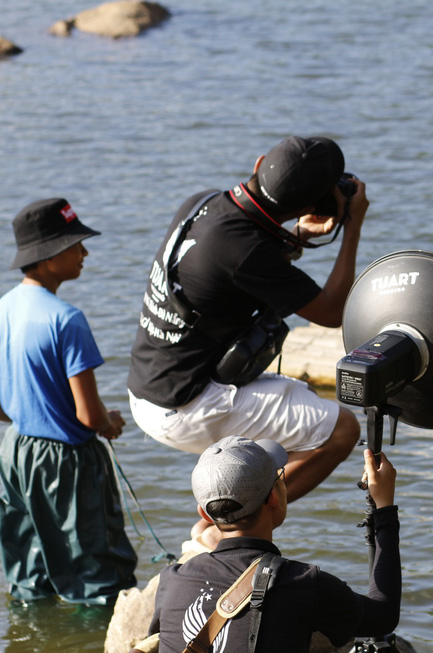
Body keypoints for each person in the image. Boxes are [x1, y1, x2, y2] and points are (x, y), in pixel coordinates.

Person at [127, 136, 368, 540]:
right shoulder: (245, 249)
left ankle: (224, 510)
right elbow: (329, 312)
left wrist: (298, 237)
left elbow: (238, 265)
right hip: (187, 405)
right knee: (341, 431)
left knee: (303, 415)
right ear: (312, 206)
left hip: (148, 389)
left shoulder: (203, 203)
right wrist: (352, 228)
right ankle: (224, 528)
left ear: (260, 163)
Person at [0, 198, 137, 605]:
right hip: (68, 461)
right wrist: (110, 422)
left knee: (27, 567)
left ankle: (34, 640)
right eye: (75, 245)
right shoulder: (66, 319)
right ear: (46, 257)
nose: (85, 253)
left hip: (14, 451)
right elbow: (88, 415)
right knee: (98, 571)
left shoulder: (3, 307)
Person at [148, 436, 400, 652]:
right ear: (273, 498)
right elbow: (384, 615)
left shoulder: (172, 580)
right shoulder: (302, 584)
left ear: (205, 515)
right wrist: (384, 508)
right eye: (279, 476)